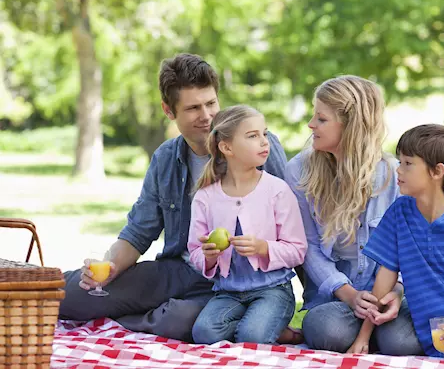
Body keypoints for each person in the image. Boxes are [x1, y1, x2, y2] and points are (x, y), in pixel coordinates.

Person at [58, 53, 288, 343]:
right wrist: (110, 267)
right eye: (193, 108)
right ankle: (29, 286)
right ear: (169, 111)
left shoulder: (261, 145)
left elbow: (294, 220)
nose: (206, 116)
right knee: (74, 296)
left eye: (211, 103)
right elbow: (138, 232)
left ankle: (143, 318)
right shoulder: (166, 158)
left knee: (178, 322)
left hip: (232, 283)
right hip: (176, 270)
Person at [284, 75, 423, 355]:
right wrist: (348, 294)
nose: (311, 125)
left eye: (321, 119)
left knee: (403, 342)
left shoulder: (394, 176)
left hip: (384, 290)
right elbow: (307, 245)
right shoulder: (299, 171)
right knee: (326, 331)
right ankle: (366, 336)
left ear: (350, 126)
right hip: (335, 295)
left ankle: (373, 334)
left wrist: (396, 292)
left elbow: (411, 247)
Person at [353, 124, 444, 365]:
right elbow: (386, 275)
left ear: (437, 171)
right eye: (399, 161)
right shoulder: (399, 212)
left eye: (408, 163)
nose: (398, 170)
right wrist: (363, 336)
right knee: (398, 344)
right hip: (437, 326)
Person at [187, 105, 307, 344]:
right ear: (227, 147)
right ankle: (273, 330)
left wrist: (263, 248)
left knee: (251, 337)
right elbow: (195, 252)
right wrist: (208, 256)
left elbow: (298, 250)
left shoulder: (277, 190)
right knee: (204, 333)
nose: (264, 142)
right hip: (228, 292)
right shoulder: (206, 197)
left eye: (264, 133)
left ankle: (266, 327)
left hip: (273, 289)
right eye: (253, 136)